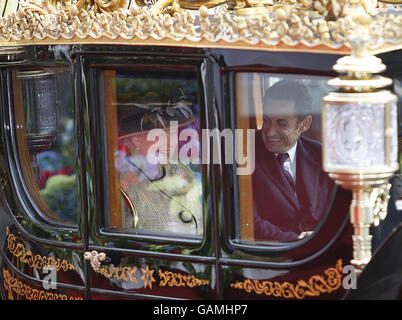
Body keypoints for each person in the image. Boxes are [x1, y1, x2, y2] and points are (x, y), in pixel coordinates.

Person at [252, 80, 334, 242]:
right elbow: (249, 223)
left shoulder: (323, 156)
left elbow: (337, 212)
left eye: (281, 123)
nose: (269, 132)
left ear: (304, 124)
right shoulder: (243, 153)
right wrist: (298, 241)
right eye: (266, 120)